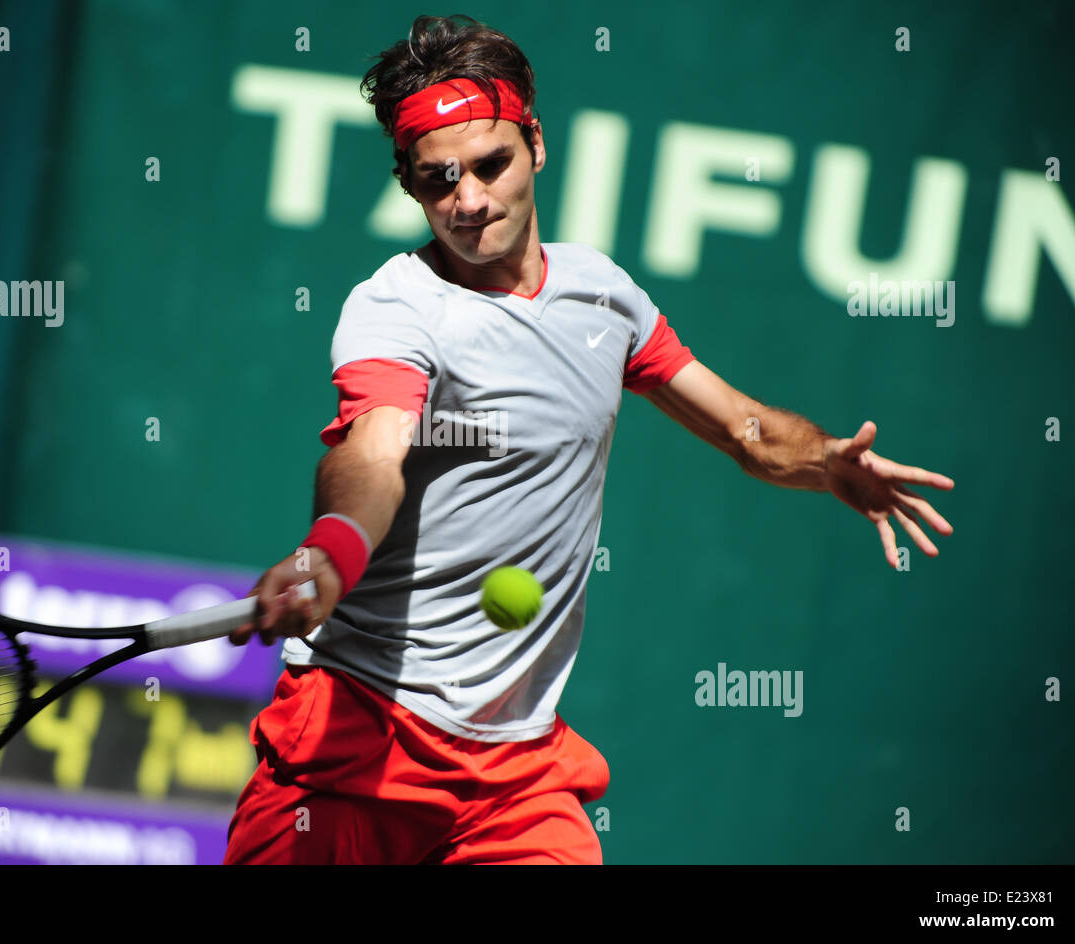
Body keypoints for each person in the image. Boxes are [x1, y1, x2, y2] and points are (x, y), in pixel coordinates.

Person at [222, 16, 954, 865]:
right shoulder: (396, 308)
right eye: (438, 180)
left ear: (536, 143)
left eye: (492, 163)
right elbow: (374, 452)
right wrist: (332, 552)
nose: (468, 199)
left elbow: (746, 430)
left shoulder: (604, 299)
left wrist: (827, 461)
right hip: (355, 751)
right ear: (411, 187)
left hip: (514, 780)